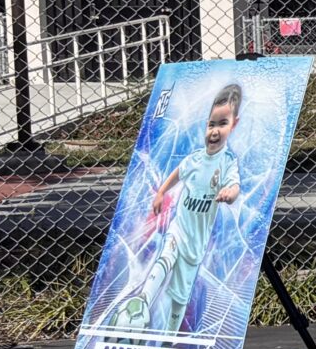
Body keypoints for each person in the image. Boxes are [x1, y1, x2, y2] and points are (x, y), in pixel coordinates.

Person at [105, 81, 245, 333]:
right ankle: (143, 301)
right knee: (165, 256)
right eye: (211, 124)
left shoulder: (227, 162)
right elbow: (177, 174)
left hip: (196, 242)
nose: (214, 131)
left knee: (180, 294)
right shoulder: (194, 159)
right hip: (179, 228)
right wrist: (160, 192)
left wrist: (229, 193)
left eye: (222, 125)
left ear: (234, 124)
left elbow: (234, 186)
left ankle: (169, 335)